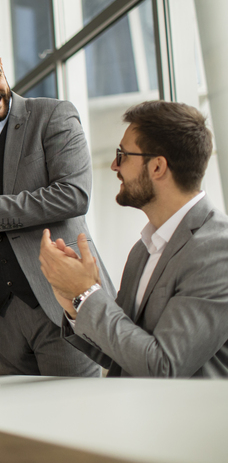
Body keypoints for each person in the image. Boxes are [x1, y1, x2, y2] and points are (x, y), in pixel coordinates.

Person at [0, 30, 114, 376]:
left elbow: (74, 195)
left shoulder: (53, 116)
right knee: (20, 428)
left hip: (62, 305)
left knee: (81, 419)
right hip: (0, 321)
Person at [39, 101, 228, 377]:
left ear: (157, 167)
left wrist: (87, 293)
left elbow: (162, 367)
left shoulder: (218, 250)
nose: (115, 165)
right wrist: (75, 302)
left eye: (123, 155)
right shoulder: (143, 250)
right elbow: (118, 352)